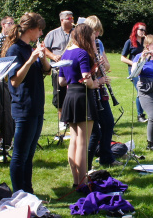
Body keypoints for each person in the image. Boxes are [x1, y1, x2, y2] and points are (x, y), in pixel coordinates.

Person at [6, 13, 51, 196]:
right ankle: (18, 193)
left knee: (29, 154)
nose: (41, 33)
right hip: (23, 106)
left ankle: (28, 190)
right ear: (31, 29)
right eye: (39, 29)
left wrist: (42, 57)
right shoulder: (15, 50)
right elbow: (15, 81)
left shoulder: (30, 48)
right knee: (19, 155)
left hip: (36, 105)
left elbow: (47, 71)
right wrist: (31, 60)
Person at [59, 24, 104, 190]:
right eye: (92, 36)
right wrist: (97, 82)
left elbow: (61, 81)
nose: (94, 39)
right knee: (83, 143)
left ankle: (76, 181)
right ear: (85, 36)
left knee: (74, 141)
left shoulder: (67, 52)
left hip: (70, 97)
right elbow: (86, 79)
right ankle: (83, 183)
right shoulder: (82, 53)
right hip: (83, 97)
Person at [84, 16, 117, 170]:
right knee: (93, 131)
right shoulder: (82, 45)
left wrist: (103, 63)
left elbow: (108, 65)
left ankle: (106, 156)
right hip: (89, 88)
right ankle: (88, 164)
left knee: (108, 122)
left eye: (98, 31)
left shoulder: (99, 43)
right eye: (94, 31)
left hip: (100, 86)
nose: (97, 34)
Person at [44, 10, 75, 129]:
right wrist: (53, 56)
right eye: (69, 18)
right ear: (62, 20)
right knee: (59, 94)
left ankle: (72, 119)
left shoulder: (76, 32)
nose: (72, 20)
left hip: (73, 68)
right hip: (59, 68)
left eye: (72, 18)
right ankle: (62, 120)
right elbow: (45, 49)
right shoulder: (53, 34)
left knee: (73, 93)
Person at [120, 22, 148, 122]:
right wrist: (134, 63)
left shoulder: (146, 42)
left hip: (144, 69)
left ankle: (148, 112)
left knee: (145, 89)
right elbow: (122, 58)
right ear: (135, 30)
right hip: (134, 69)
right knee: (140, 90)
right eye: (141, 30)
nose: (143, 32)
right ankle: (140, 115)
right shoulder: (130, 42)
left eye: (144, 30)